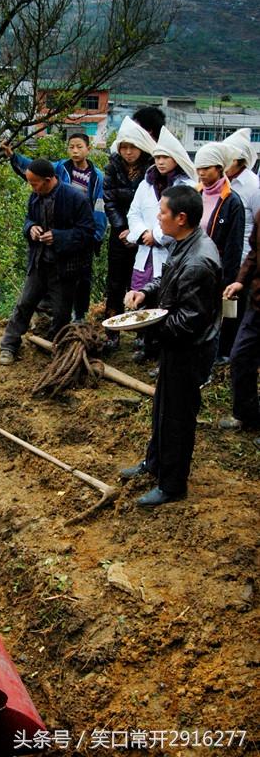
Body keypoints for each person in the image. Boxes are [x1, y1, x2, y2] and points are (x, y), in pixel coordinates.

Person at [120, 185, 222, 506]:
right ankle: (155, 464)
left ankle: (173, 485)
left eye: (162, 212)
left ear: (181, 217)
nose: (157, 218)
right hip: (176, 346)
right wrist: (145, 294)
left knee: (178, 415)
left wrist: (143, 325)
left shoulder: (199, 262)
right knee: (163, 406)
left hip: (190, 349)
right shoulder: (182, 242)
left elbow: (187, 321)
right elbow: (166, 281)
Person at [0, 133, 106, 321]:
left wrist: (96, 234)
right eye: (71, 146)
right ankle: (52, 315)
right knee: (57, 276)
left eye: (79, 146)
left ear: (88, 149)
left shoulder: (97, 178)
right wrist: (13, 156)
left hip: (83, 230)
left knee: (83, 277)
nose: (75, 151)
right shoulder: (60, 168)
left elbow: (99, 206)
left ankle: (79, 315)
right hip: (60, 230)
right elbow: (34, 169)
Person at [0, 158, 95, 365]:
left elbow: (88, 233)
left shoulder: (76, 198)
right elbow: (28, 219)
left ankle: (55, 348)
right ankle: (9, 345)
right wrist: (30, 228)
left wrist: (58, 237)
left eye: (34, 183)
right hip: (39, 262)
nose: (31, 187)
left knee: (61, 313)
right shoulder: (35, 197)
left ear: (49, 179)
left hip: (64, 268)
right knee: (24, 304)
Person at [126, 126, 197, 361]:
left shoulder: (185, 185)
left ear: (175, 158)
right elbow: (133, 213)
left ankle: (160, 348)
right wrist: (143, 233)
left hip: (168, 250)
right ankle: (146, 342)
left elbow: (182, 219)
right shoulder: (146, 183)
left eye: (165, 157)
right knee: (144, 296)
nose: (160, 162)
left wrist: (157, 235)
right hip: (145, 251)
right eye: (157, 157)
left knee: (165, 300)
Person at [103, 116, 156, 349]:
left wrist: (138, 232)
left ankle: (142, 334)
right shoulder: (113, 165)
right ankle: (112, 332)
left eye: (132, 147)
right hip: (119, 232)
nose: (127, 152)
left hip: (146, 235)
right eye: (123, 147)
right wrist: (121, 229)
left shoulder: (152, 168)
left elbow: (154, 203)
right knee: (115, 283)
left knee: (142, 283)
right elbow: (109, 200)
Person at [194, 142, 245, 361]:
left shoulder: (232, 202)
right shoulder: (194, 195)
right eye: (199, 168)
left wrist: (227, 278)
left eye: (207, 168)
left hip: (217, 269)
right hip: (194, 266)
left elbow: (234, 246)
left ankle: (216, 355)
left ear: (219, 168)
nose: (202, 173)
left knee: (216, 315)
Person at [219, 189, 260, 434]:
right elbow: (254, 253)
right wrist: (241, 280)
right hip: (256, 302)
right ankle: (247, 416)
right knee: (240, 356)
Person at [223, 128, 259, 262]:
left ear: (239, 160)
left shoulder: (254, 186)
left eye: (229, 159)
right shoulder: (221, 181)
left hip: (244, 259)